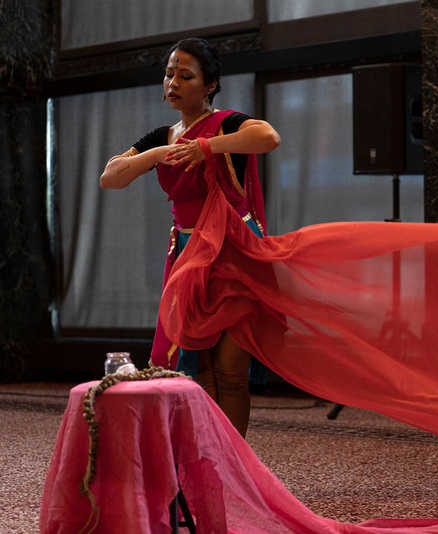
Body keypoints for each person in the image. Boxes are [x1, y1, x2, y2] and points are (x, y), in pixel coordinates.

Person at [99, 37, 280, 437]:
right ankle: (209, 463)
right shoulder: (162, 136)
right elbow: (110, 178)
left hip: (231, 254)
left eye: (185, 75)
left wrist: (206, 147)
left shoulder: (226, 124)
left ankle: (237, 468)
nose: (173, 83)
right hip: (186, 255)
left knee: (231, 372)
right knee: (199, 371)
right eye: (168, 74)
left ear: (210, 84)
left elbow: (268, 137)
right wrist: (155, 155)